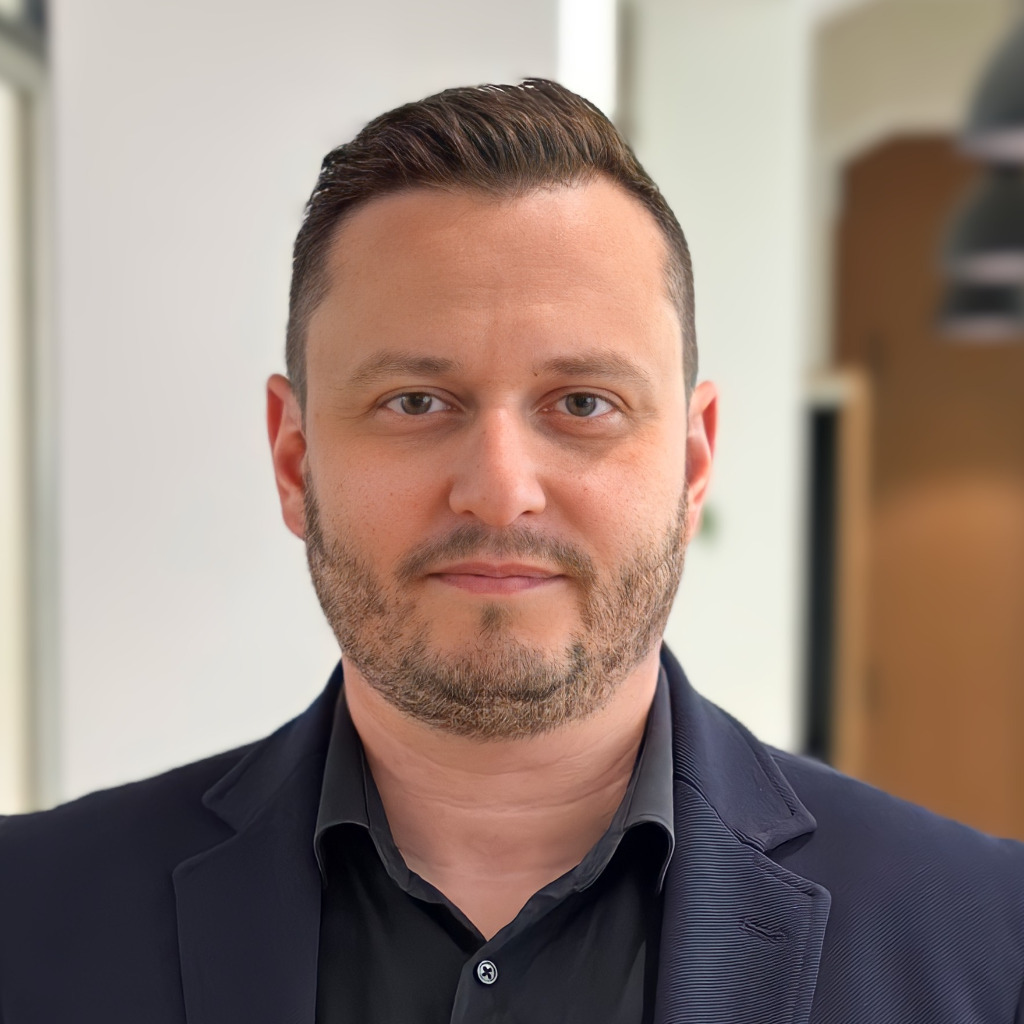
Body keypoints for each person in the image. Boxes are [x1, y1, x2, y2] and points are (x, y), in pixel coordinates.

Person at [1, 79, 1022, 1024]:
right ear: (293, 457)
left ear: (693, 459)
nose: (498, 489)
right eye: (415, 401)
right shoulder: (28, 914)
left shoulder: (986, 946)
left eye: (582, 403)